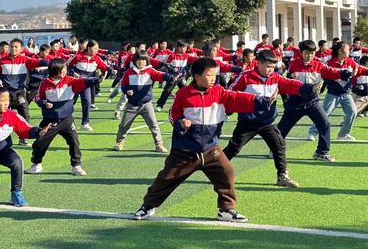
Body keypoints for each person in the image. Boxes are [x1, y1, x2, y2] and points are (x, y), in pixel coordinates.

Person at [133, 57, 277, 222]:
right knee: (166, 179)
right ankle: (148, 206)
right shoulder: (183, 94)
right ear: (197, 76)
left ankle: (226, 210)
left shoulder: (219, 92)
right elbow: (173, 115)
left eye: (215, 75)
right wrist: (181, 122)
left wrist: (262, 101)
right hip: (184, 151)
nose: (213, 79)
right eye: (209, 75)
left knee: (227, 171)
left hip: (211, 149)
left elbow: (239, 98)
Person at [223, 50, 316, 188]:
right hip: (247, 122)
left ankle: (282, 176)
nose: (270, 70)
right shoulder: (245, 77)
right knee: (234, 148)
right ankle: (215, 171)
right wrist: (228, 110)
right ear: (258, 63)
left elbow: (290, 83)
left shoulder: (275, 77)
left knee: (279, 144)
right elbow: (230, 94)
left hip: (267, 122)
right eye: (267, 66)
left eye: (273, 67)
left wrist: (307, 88)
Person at [277, 40, 352, 162]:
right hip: (296, 101)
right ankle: (275, 149)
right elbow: (289, 81)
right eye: (307, 53)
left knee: (325, 123)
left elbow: (331, 72)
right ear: (301, 52)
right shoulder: (294, 64)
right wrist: (291, 76)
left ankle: (322, 152)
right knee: (283, 127)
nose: (310, 56)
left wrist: (343, 73)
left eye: (312, 53)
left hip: (313, 102)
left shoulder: (319, 65)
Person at [26, 58, 99, 176]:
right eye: (62, 69)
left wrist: (95, 79)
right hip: (50, 120)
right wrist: (45, 103)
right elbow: (38, 98)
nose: (65, 71)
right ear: (55, 70)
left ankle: (76, 166)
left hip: (67, 119)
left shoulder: (70, 81)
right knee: (40, 142)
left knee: (74, 141)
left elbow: (83, 81)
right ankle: (36, 165)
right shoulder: (44, 83)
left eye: (65, 69)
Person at [308, 41, 368, 142]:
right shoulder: (330, 63)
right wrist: (334, 79)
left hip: (345, 93)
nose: (350, 51)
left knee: (352, 112)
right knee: (324, 114)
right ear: (340, 51)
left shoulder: (350, 61)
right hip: (333, 93)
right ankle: (313, 132)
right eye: (347, 49)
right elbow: (326, 75)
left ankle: (343, 134)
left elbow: (360, 68)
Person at [113, 52, 175, 153]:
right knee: (124, 125)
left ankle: (159, 144)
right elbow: (124, 86)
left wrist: (170, 77)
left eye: (143, 60)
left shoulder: (150, 71)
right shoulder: (129, 72)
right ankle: (119, 143)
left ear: (146, 61)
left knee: (154, 125)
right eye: (139, 60)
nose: (141, 62)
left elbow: (160, 75)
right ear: (134, 61)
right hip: (132, 105)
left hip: (147, 104)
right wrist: (127, 91)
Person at [0, 38, 48, 145]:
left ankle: (23, 138)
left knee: (25, 114)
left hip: (20, 93)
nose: (13, 48)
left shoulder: (25, 60)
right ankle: (0, 138)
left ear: (21, 49)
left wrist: (52, 62)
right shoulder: (2, 61)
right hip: (6, 94)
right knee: (2, 115)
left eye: (16, 47)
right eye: (11, 46)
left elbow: (39, 62)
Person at [68, 39, 109, 131]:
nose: (96, 51)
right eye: (95, 49)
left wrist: (109, 72)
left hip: (86, 84)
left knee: (87, 102)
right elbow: (69, 67)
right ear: (89, 48)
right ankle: (67, 122)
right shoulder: (78, 56)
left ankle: (85, 123)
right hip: (75, 83)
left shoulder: (97, 59)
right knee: (69, 103)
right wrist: (73, 73)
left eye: (97, 49)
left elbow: (105, 68)